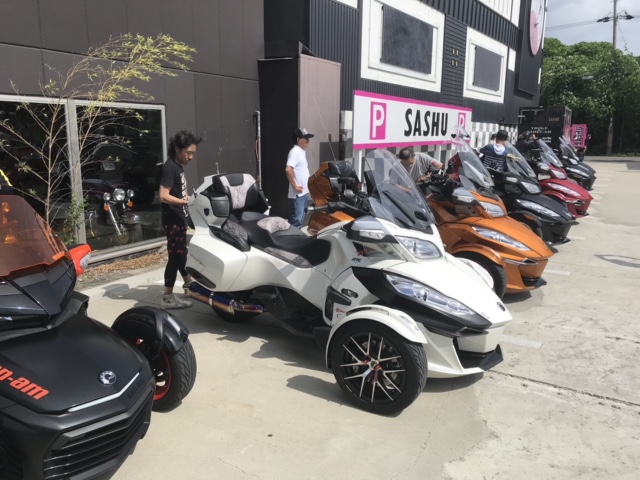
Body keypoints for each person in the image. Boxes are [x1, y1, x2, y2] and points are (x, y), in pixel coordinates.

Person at [159, 130, 201, 309]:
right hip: (172, 220)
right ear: (177, 149)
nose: (191, 157)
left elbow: (179, 193)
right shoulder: (170, 167)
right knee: (175, 257)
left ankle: (188, 283)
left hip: (179, 217)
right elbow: (163, 195)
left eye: (193, 153)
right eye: (188, 153)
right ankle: (167, 298)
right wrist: (185, 202)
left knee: (181, 253)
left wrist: (192, 199)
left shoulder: (178, 167)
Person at [285, 127, 313, 228]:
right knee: (296, 223)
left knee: (300, 221)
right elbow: (288, 169)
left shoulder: (301, 152)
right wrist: (295, 186)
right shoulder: (295, 152)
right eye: (305, 138)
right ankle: (292, 238)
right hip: (298, 195)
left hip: (303, 193)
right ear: (298, 139)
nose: (308, 141)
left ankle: (297, 237)